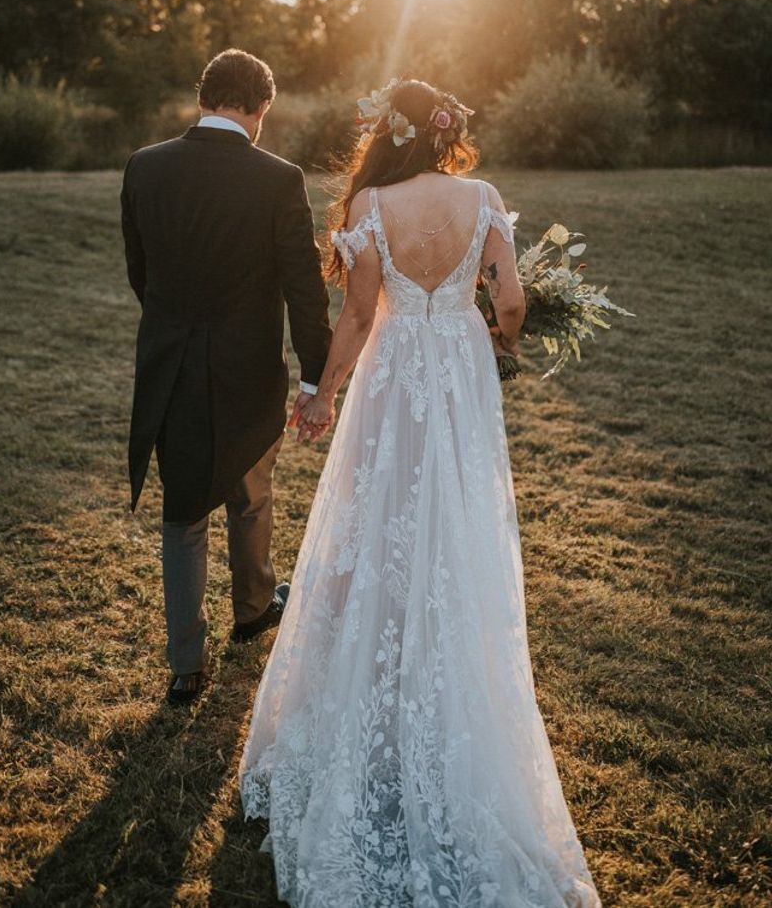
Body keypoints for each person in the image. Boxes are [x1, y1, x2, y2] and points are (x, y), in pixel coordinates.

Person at [239, 78, 601, 907]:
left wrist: (324, 392)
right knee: (458, 519)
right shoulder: (483, 197)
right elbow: (508, 298)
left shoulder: (370, 200)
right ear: (448, 132)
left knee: (376, 519)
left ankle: (374, 673)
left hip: (394, 377)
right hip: (462, 374)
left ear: (390, 133)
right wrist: (501, 343)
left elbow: (360, 316)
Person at [120, 48, 331, 705]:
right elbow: (304, 288)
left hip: (172, 367)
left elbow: (140, 272)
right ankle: (252, 607)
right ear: (259, 107)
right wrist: (312, 377)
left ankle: (187, 664)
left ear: (206, 96)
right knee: (250, 491)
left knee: (182, 512)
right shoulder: (279, 177)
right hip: (249, 370)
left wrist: (175, 322)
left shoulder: (144, 166)